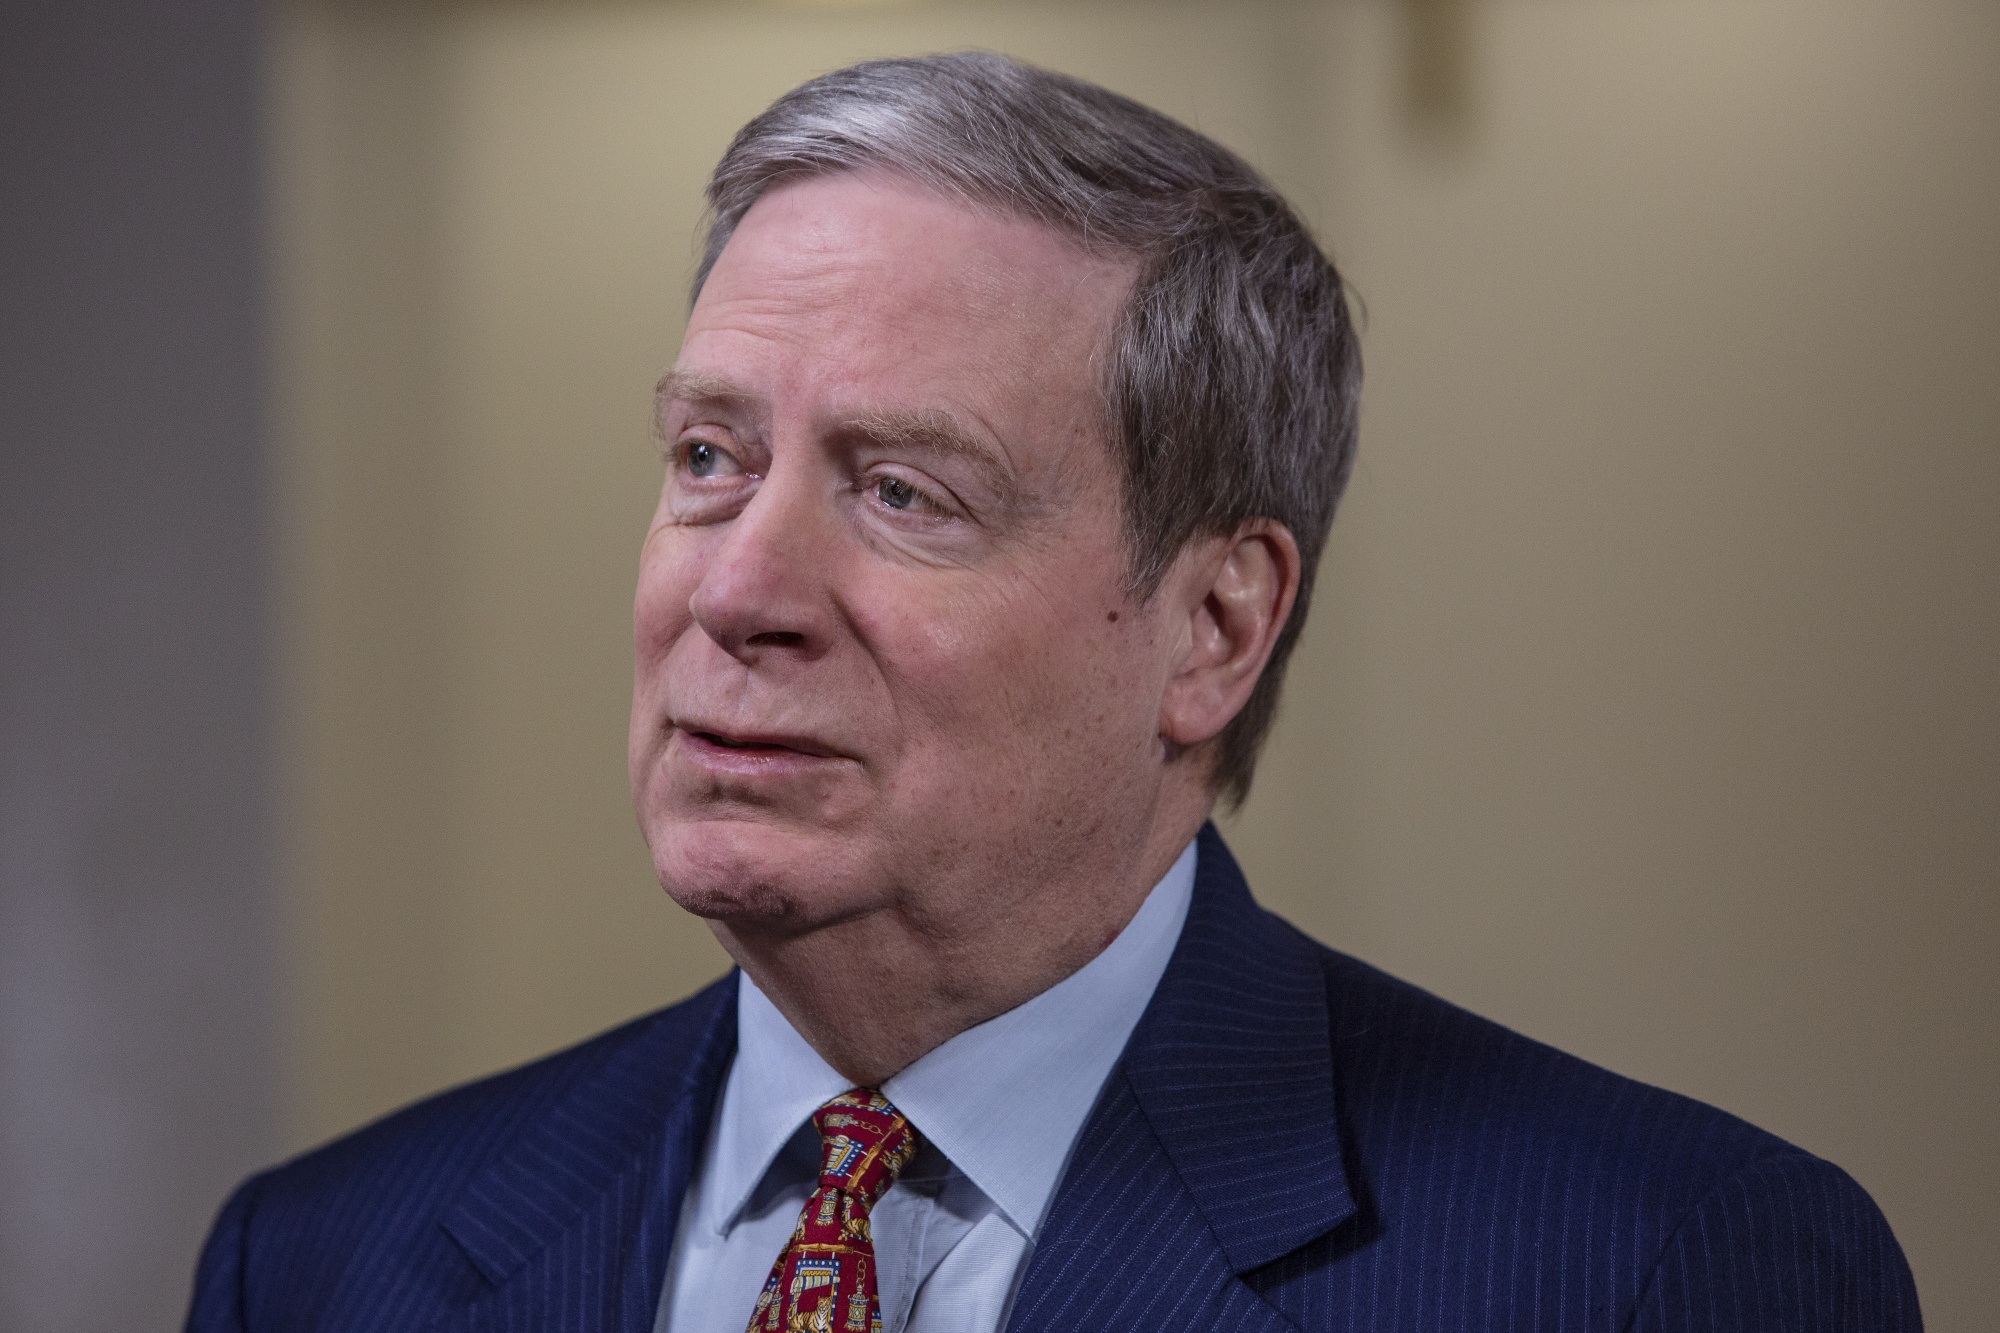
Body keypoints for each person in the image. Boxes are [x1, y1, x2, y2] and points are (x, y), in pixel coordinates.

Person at [186, 53, 1919, 1332]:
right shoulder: (320, 1264)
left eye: (903, 491)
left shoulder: (1659, 1266)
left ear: (1215, 627)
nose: (736, 590)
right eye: (710, 457)